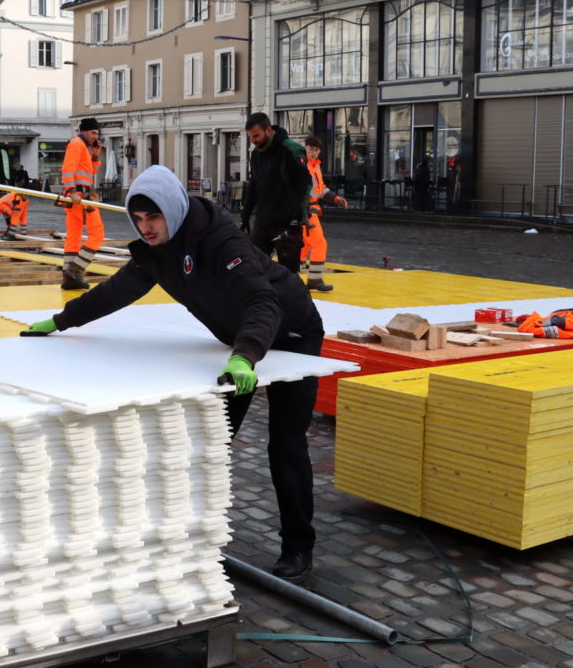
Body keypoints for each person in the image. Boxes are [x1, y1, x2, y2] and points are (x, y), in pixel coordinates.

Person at [21, 165, 325, 580]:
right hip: (240, 342)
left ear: (173, 210)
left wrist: (245, 356)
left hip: (290, 335)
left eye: (154, 217)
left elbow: (263, 302)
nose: (146, 228)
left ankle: (298, 547)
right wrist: (61, 321)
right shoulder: (155, 253)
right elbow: (116, 291)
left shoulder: (220, 240)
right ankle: (197, 540)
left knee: (285, 445)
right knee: (214, 441)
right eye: (139, 219)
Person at [240, 113, 311, 274]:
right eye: (251, 137)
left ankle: (295, 299)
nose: (254, 141)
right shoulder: (256, 155)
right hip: (263, 221)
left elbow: (304, 183)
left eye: (256, 136)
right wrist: (245, 215)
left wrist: (297, 218)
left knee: (288, 275)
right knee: (254, 269)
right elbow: (254, 185)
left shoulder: (290, 149)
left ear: (268, 130)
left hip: (286, 222)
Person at [59, 117, 106, 290]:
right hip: (81, 196)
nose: (96, 136)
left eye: (97, 133)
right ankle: (75, 270)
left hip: (78, 196)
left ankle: (68, 277)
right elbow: (67, 169)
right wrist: (72, 191)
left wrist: (95, 155)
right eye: (93, 132)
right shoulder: (77, 144)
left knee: (74, 234)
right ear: (84, 131)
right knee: (97, 233)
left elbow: (90, 172)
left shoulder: (82, 147)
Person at [300, 136, 348, 292]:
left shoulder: (315, 167)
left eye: (316, 150)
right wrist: (305, 209)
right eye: (310, 149)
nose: (313, 152)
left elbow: (320, 189)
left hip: (308, 211)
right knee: (319, 243)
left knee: (304, 245)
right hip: (306, 212)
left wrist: (335, 198)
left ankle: (292, 277)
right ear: (305, 148)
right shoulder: (303, 166)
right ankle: (313, 279)